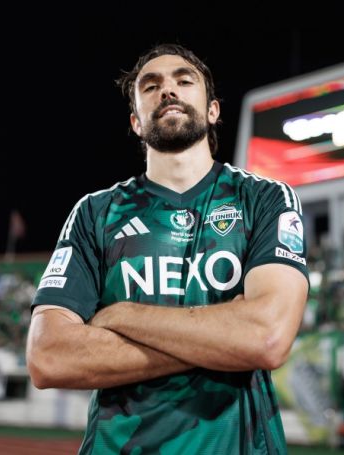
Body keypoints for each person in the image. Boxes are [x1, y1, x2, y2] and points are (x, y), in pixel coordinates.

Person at [26, 43, 309, 454]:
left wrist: (122, 316)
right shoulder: (94, 213)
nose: (168, 90)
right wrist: (224, 339)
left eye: (184, 80)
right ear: (136, 122)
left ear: (213, 110)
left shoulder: (264, 199)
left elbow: (267, 337)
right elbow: (48, 357)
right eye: (151, 85)